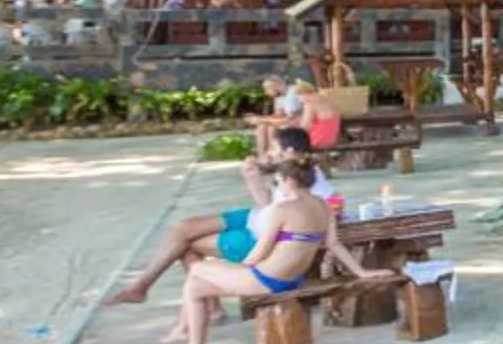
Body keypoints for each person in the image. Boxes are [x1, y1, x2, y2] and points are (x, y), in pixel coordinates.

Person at [111, 126, 364, 305]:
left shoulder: (308, 183)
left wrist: (247, 265)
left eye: (274, 148)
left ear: (289, 151)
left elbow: (301, 219)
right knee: (182, 228)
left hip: (262, 234)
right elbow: (268, 204)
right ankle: (143, 288)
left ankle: (202, 304)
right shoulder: (290, 171)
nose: (269, 152)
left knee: (187, 246)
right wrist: (252, 178)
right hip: (258, 217)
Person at [166, 157, 339, 344]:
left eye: (278, 182)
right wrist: (362, 271)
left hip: (267, 278)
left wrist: (237, 267)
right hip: (293, 279)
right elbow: (334, 244)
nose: (278, 187)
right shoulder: (322, 205)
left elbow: (260, 251)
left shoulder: (282, 209)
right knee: (195, 287)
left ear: (289, 181)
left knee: (197, 270)